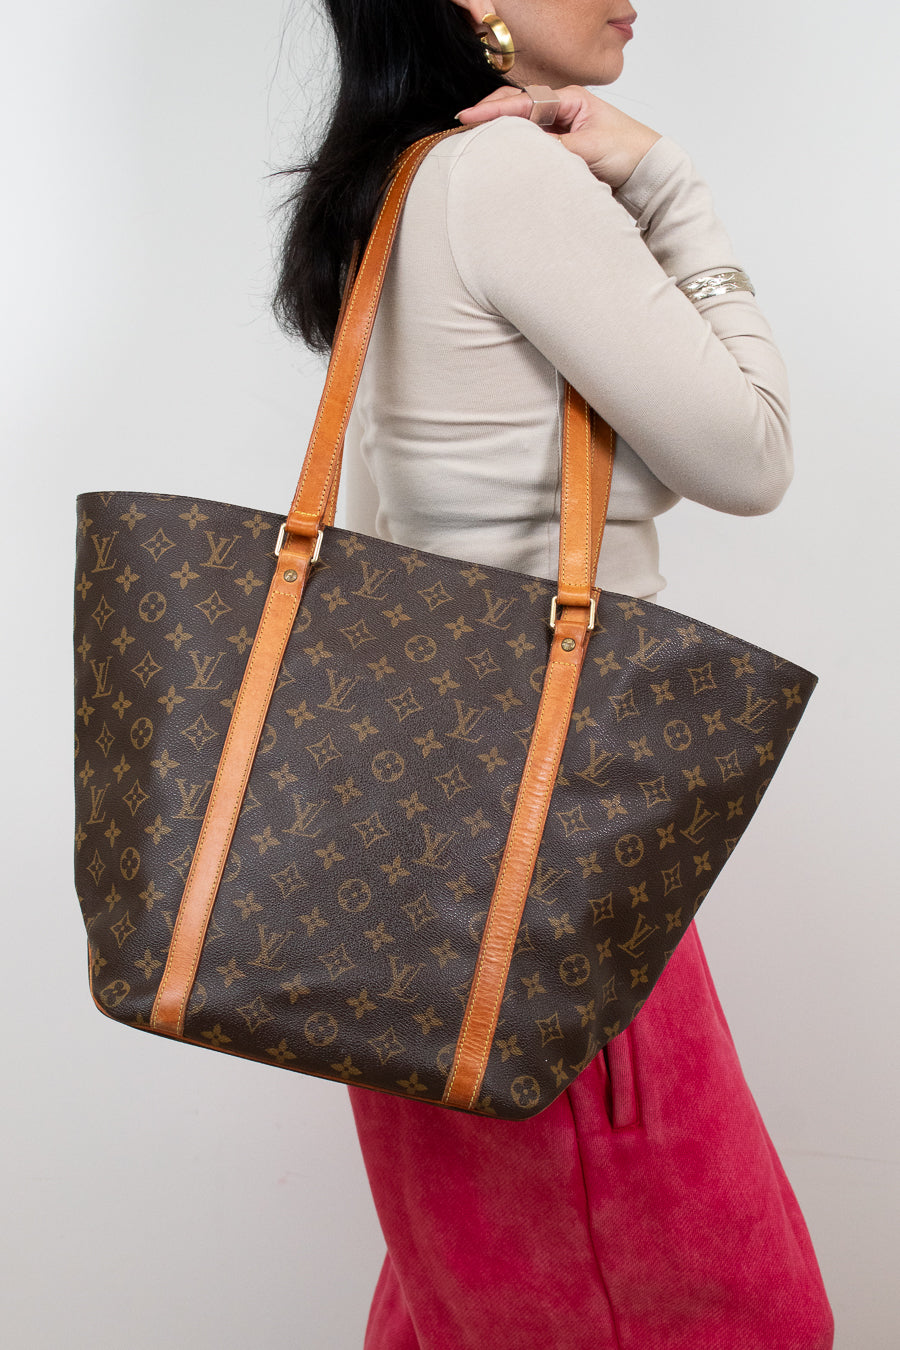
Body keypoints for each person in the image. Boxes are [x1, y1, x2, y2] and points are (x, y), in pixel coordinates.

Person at [275, 3, 835, 1346]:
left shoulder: (401, 184)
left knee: (468, 1288)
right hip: (554, 843)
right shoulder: (507, 175)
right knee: (719, 1302)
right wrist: (666, 182)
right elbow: (749, 452)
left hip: (411, 854)